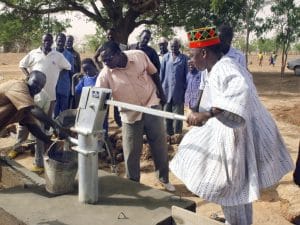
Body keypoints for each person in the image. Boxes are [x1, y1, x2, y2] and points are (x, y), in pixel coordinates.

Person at [169, 27, 293, 225]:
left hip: (236, 137)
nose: (190, 60)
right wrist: (201, 113)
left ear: (204, 52)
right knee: (238, 190)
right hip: (233, 132)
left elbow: (240, 89)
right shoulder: (213, 69)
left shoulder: (225, 67)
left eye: (192, 55)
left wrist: (207, 114)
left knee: (230, 189)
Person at [95, 41, 175, 192]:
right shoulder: (105, 74)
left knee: (159, 145)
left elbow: (154, 72)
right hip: (129, 114)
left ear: (119, 53)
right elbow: (99, 99)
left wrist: (161, 94)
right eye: (103, 61)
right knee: (131, 151)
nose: (105, 63)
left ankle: (163, 178)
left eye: (108, 59)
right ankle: (133, 183)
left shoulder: (139, 56)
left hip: (151, 105)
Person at [3, 71, 65, 163]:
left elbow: (31, 125)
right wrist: (55, 126)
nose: (37, 88)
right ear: (27, 78)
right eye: (35, 82)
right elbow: (32, 108)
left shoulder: (27, 98)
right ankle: (17, 148)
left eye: (41, 86)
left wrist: (48, 141)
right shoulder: (18, 86)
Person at [94, 28, 122, 128]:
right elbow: (95, 57)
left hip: (117, 77)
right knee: (104, 101)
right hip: (107, 76)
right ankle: (104, 123)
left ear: (115, 35)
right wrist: (100, 69)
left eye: (111, 35)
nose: (110, 36)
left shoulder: (120, 46)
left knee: (118, 100)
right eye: (108, 35)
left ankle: (119, 122)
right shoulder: (103, 45)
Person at [160, 38, 188, 136]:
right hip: (166, 91)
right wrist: (160, 91)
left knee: (178, 115)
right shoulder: (165, 58)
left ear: (179, 47)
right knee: (166, 114)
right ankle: (168, 133)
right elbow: (161, 75)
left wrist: (185, 91)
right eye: (171, 46)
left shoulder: (184, 58)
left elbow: (187, 76)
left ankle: (177, 134)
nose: (173, 48)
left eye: (175, 46)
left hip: (179, 91)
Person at [75, 58, 108, 136]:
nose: (87, 72)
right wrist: (79, 105)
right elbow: (77, 91)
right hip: (89, 106)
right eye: (85, 70)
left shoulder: (101, 77)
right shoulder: (84, 79)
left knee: (102, 122)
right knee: (90, 124)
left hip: (101, 105)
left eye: (89, 69)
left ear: (94, 66)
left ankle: (104, 139)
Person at [54, 33, 74, 118]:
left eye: (62, 41)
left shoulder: (69, 56)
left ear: (65, 42)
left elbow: (71, 72)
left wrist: (70, 87)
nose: (60, 43)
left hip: (64, 86)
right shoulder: (51, 53)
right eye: (59, 41)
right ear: (55, 41)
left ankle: (62, 130)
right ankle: (53, 129)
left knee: (64, 110)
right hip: (52, 85)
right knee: (53, 109)